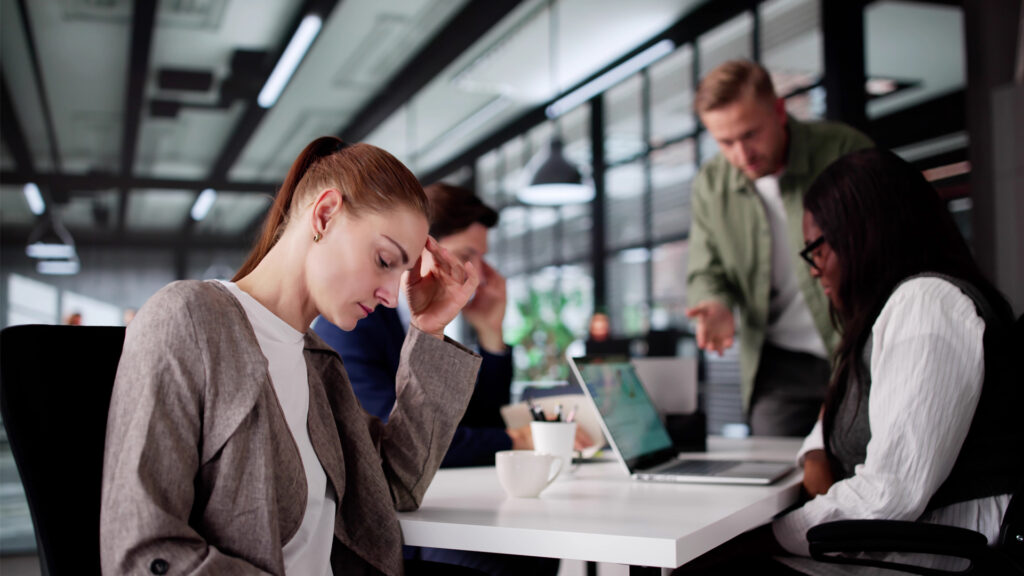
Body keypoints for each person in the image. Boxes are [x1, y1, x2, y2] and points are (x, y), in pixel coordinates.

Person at [100, 137, 486, 576]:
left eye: (401, 272)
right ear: (325, 214)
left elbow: (395, 487)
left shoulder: (318, 364)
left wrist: (429, 330)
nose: (390, 295)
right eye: (384, 260)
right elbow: (145, 553)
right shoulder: (190, 320)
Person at [677, 148, 1022, 575]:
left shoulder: (926, 306)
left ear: (862, 236)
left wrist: (758, 538)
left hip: (929, 557)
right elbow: (833, 415)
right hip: (898, 548)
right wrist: (817, 455)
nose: (814, 269)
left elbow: (888, 496)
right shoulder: (893, 312)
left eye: (817, 249)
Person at [313, 183, 580, 575]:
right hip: (395, 532)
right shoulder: (353, 323)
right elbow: (402, 443)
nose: (479, 275)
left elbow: (477, 421)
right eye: (467, 256)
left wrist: (491, 332)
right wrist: (516, 440)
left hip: (437, 505)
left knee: (538, 551)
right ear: (424, 247)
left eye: (482, 260)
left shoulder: (428, 319)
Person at [685, 59, 872, 436]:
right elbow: (707, 270)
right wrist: (716, 303)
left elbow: (889, 246)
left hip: (857, 349)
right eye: (726, 142)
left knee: (864, 459)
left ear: (779, 111)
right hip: (779, 366)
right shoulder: (711, 184)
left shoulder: (843, 150)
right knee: (776, 466)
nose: (742, 154)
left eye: (750, 134)